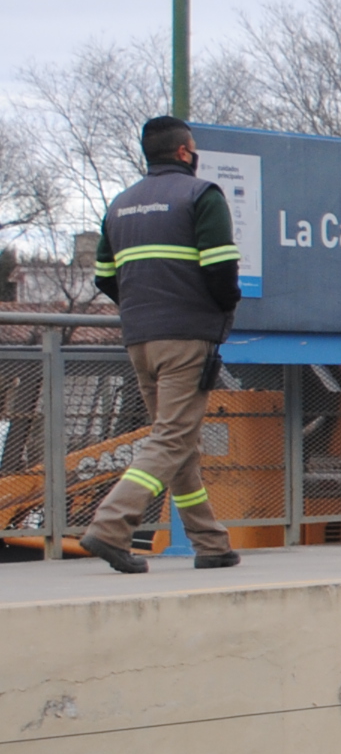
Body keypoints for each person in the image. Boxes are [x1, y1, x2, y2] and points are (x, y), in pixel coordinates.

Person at [77, 115, 242, 573]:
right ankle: (110, 527)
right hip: (186, 337)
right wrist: (221, 310)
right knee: (172, 437)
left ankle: (210, 543)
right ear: (186, 152)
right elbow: (221, 271)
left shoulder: (120, 204)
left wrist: (143, 307)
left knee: (178, 440)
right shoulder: (201, 196)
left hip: (140, 339)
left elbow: (105, 278)